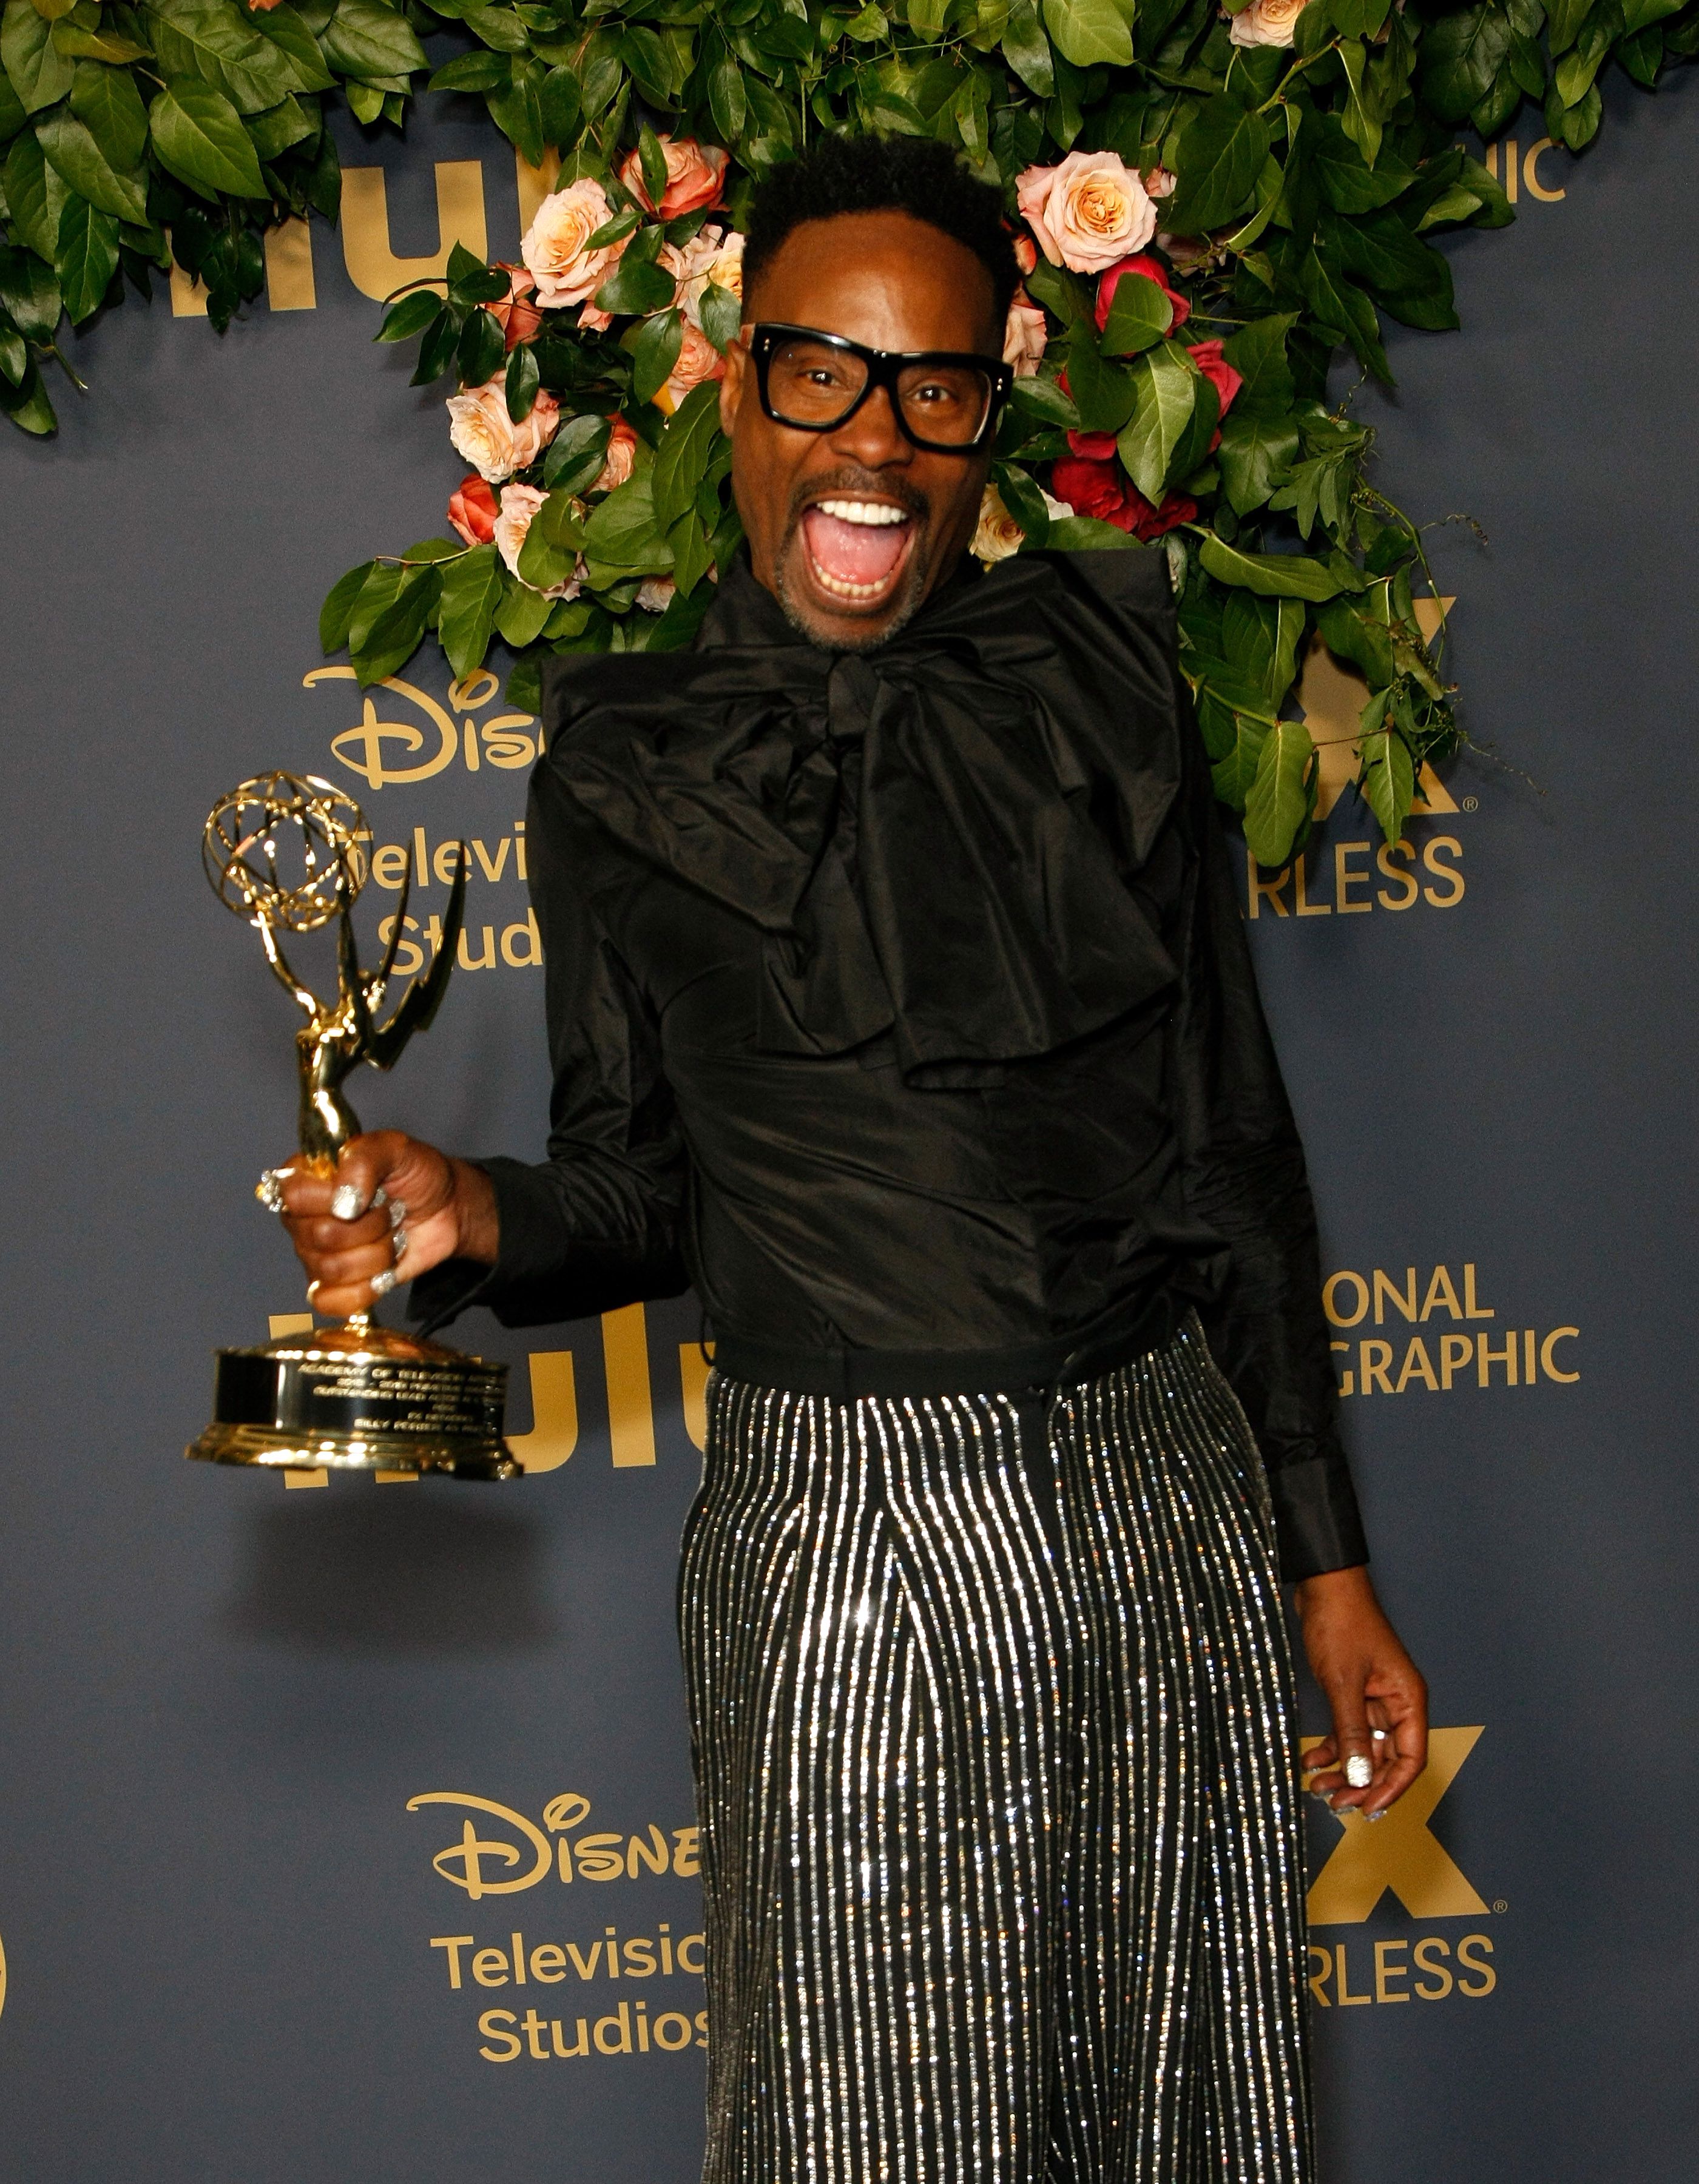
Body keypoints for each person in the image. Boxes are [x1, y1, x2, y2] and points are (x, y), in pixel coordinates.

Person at [279, 134, 1427, 2184]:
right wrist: (472, 1222)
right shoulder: (625, 759)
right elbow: (636, 1190)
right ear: (741, 387)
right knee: (874, 2136)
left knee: (1192, 2121)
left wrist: (1323, 1566)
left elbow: (1229, 1144)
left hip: (1165, 1505)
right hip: (848, 1552)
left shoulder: (1104, 680)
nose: (874, 445)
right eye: (823, 374)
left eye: (937, 389)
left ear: (993, 417)